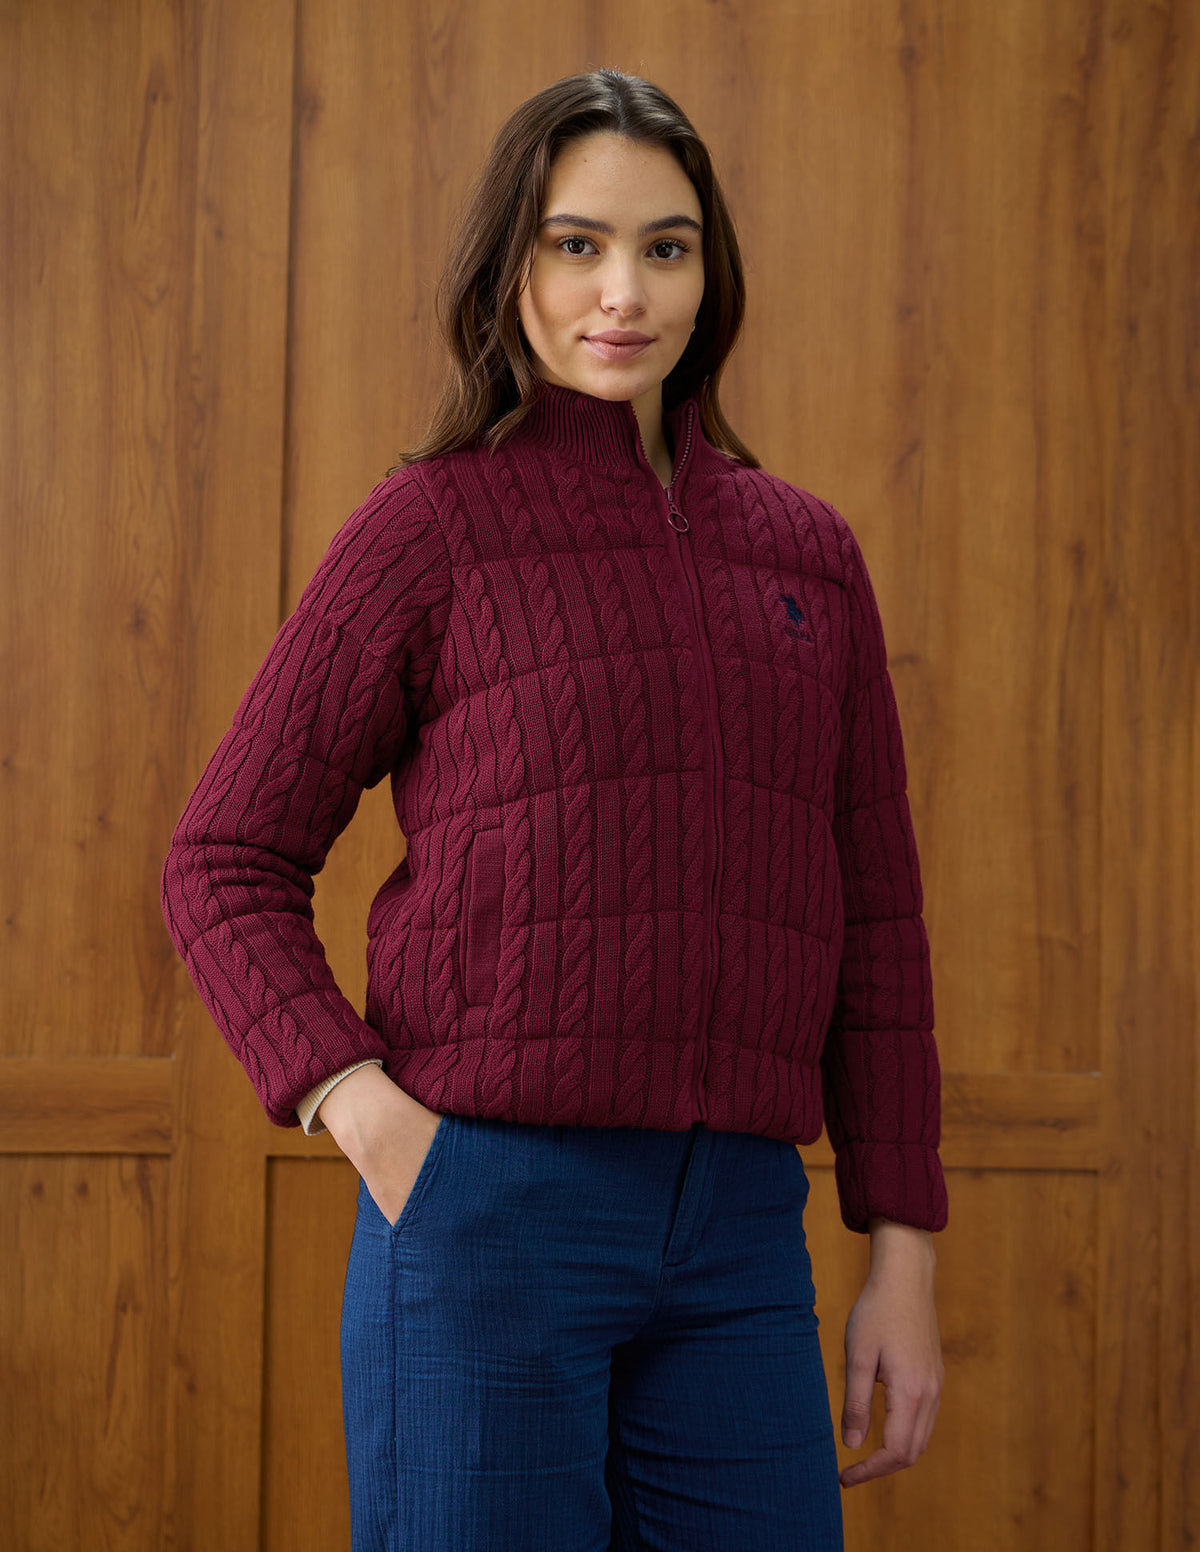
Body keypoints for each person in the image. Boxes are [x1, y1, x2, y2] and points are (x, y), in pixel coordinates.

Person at [161, 67, 947, 1552]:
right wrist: (366, 1112)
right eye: (576, 244)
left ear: (711, 272)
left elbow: (879, 925)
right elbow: (223, 856)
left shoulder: (807, 554)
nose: (623, 292)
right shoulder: (430, 528)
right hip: (486, 1213)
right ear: (511, 268)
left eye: (666, 247)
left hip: (740, 1238)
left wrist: (900, 1255)